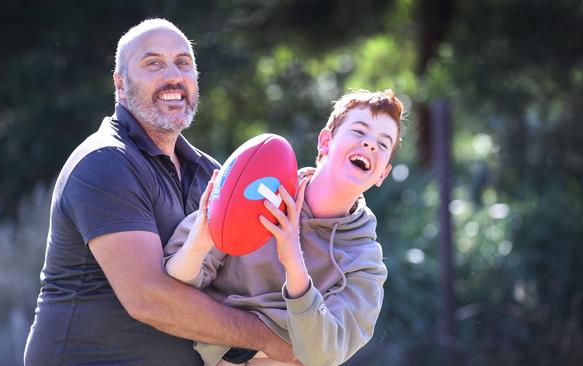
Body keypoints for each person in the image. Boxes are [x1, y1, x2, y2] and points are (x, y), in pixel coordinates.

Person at [24, 18, 296, 365]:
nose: (174, 76)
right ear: (120, 85)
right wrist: (266, 339)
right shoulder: (105, 162)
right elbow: (148, 297)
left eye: (184, 63)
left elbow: (231, 291)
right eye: (154, 63)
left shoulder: (211, 174)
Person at [164, 89, 404, 365]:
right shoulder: (262, 187)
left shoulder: (365, 261)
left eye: (382, 144)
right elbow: (172, 286)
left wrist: (293, 263)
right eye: (359, 132)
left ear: (382, 174)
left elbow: (324, 353)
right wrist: (200, 243)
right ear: (325, 142)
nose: (370, 145)